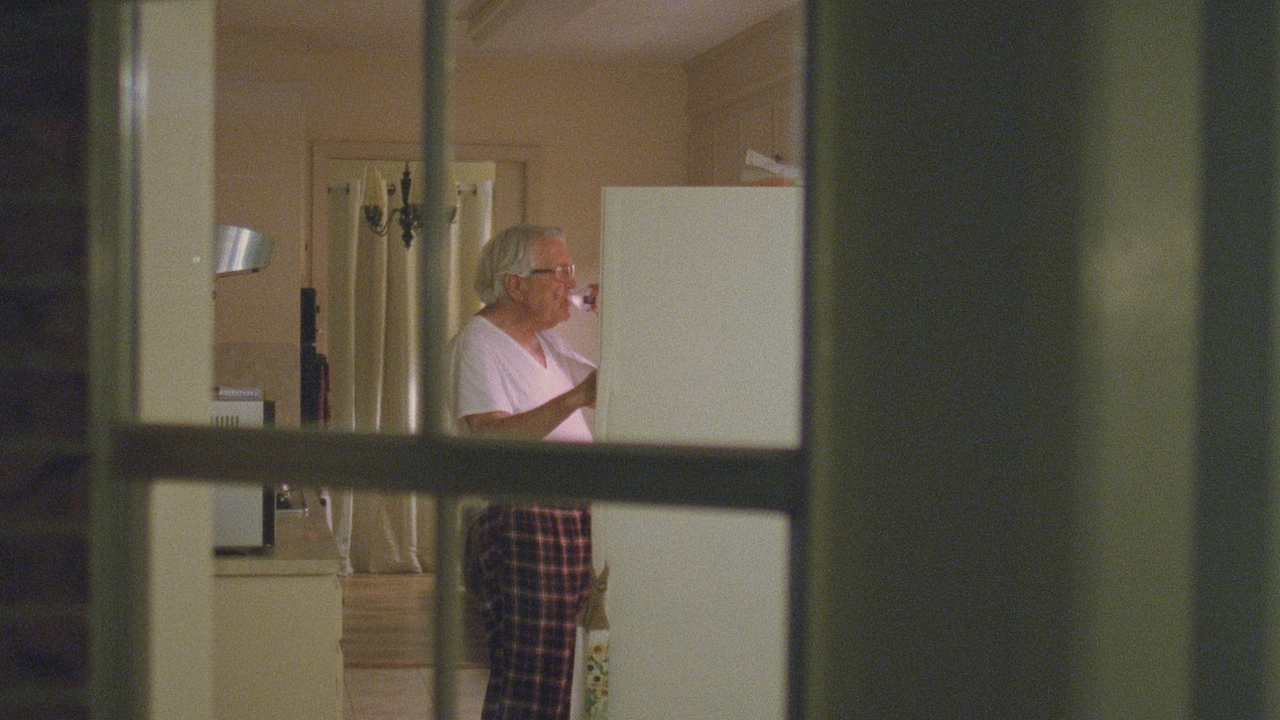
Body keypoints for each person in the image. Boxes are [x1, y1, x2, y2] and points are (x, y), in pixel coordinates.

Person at [450, 224, 598, 720]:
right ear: (515, 285)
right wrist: (574, 398)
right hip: (523, 523)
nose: (569, 283)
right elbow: (490, 440)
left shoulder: (546, 343)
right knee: (531, 683)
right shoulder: (479, 343)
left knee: (562, 679)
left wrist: (624, 309)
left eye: (570, 271)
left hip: (567, 521)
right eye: (559, 272)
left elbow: (614, 383)